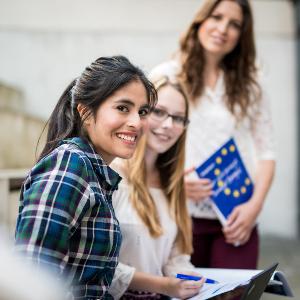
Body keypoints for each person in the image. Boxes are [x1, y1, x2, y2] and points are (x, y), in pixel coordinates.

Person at [14, 55, 157, 299]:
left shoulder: (94, 172)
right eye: (123, 108)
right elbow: (34, 272)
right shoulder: (70, 164)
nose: (136, 122)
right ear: (85, 111)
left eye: (142, 111)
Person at [149, 0, 276, 269]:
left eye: (235, 24)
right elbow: (143, 144)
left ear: (242, 35)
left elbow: (266, 152)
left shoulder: (252, 83)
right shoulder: (167, 75)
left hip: (236, 217)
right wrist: (174, 183)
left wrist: (254, 206)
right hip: (179, 214)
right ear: (200, 21)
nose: (223, 28)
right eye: (217, 17)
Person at [109, 75, 204, 299]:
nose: (169, 125)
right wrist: (164, 285)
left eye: (179, 118)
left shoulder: (173, 185)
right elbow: (96, 265)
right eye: (159, 112)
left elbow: (176, 260)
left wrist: (198, 285)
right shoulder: (111, 176)